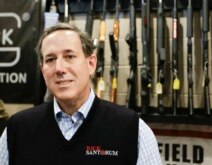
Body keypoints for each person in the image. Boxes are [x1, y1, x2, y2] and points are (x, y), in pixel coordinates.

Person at [0, 23, 162, 165]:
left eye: (69, 56)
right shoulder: (17, 129)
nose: (59, 68)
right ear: (43, 71)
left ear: (91, 64)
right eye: (50, 59)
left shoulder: (133, 129)